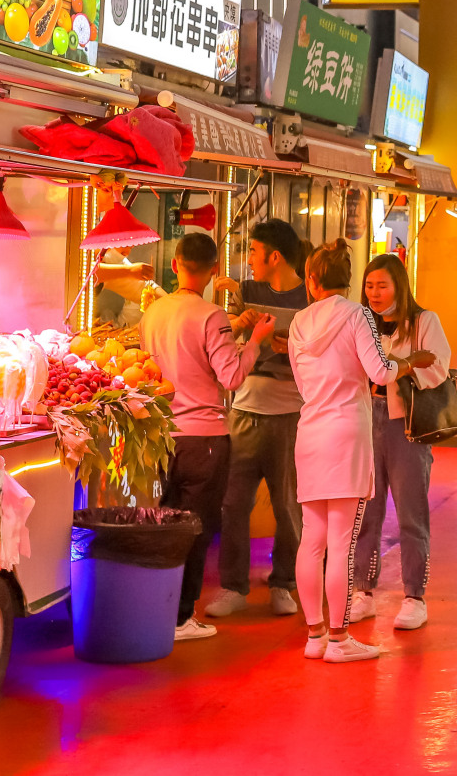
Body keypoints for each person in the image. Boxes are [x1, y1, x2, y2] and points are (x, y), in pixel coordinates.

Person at [282, 241, 435, 663]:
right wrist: (412, 360)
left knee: (311, 541)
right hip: (347, 432)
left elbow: (300, 379)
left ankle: (314, 636)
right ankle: (338, 639)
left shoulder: (299, 322)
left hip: (309, 431)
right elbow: (381, 372)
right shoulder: (358, 315)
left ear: (312, 280)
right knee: (342, 540)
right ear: (347, 281)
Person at [137, 233, 277, 641]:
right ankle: (181, 617)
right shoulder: (211, 315)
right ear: (214, 270)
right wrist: (253, 342)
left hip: (161, 435)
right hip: (205, 438)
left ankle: (157, 607)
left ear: (175, 264)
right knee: (195, 529)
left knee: (164, 522)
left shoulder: (153, 314)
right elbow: (231, 375)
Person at [207, 220, 308, 619]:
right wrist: (238, 326)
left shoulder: (309, 298)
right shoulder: (246, 293)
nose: (248, 259)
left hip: (291, 414)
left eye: (252, 250)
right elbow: (226, 346)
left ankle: (283, 582)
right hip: (244, 410)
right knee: (233, 504)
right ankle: (233, 585)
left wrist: (289, 347)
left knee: (288, 505)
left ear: (274, 256)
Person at [349, 255, 451, 632]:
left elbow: (439, 366)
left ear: (400, 286)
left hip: (407, 424)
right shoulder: (359, 320)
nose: (374, 293)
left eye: (383, 286)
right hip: (364, 421)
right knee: (366, 512)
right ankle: (362, 591)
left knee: (411, 514)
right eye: (369, 286)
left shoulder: (424, 321)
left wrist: (400, 365)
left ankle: (414, 595)